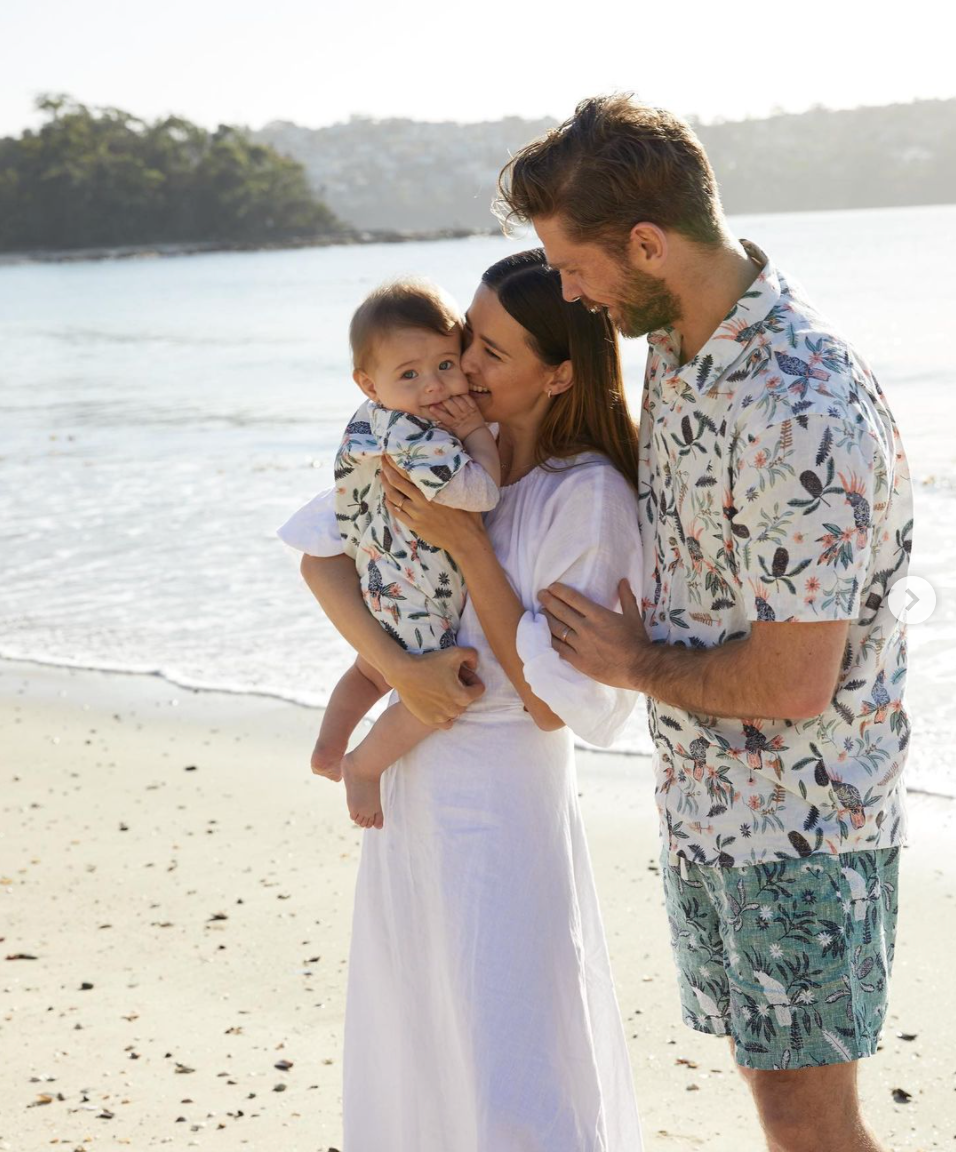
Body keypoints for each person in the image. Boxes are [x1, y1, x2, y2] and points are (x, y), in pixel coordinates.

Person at [498, 95, 913, 1152]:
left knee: (809, 1126)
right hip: (712, 809)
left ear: (646, 242)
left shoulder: (796, 402)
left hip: (803, 825)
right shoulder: (675, 341)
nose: (567, 289)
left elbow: (790, 683)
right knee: (775, 1105)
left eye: (573, 264)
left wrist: (632, 661)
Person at [281, 248, 645, 1150]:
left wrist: (469, 548)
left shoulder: (584, 497)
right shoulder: (432, 451)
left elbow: (551, 703)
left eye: (484, 351)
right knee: (423, 1036)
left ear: (558, 373)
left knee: (509, 1045)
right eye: (461, 343)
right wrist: (395, 674)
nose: (461, 370)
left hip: (502, 802)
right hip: (412, 789)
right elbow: (323, 557)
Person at [278, 278, 500, 829]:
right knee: (444, 690)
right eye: (410, 374)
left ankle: (327, 746)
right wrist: (478, 434)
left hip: (376, 572)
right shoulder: (415, 434)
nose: (433, 387)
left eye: (446, 365)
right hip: (418, 583)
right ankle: (364, 763)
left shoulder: (366, 419)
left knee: (370, 667)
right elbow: (481, 492)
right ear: (368, 382)